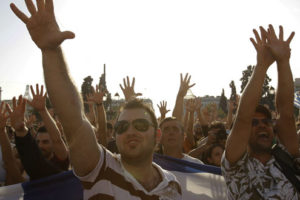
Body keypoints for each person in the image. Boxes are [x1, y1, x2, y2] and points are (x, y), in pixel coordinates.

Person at [10, 1, 182, 199]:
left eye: (141, 124)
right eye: (122, 127)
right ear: (115, 136)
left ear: (157, 135)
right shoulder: (99, 167)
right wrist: (51, 51)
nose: (131, 131)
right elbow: (73, 121)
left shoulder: (172, 184)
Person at [222, 25, 300, 199]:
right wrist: (262, 66)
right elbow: (242, 118)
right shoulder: (235, 166)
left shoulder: (286, 158)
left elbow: (286, 113)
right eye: (254, 123)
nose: (262, 126)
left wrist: (283, 62)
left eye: (266, 121)